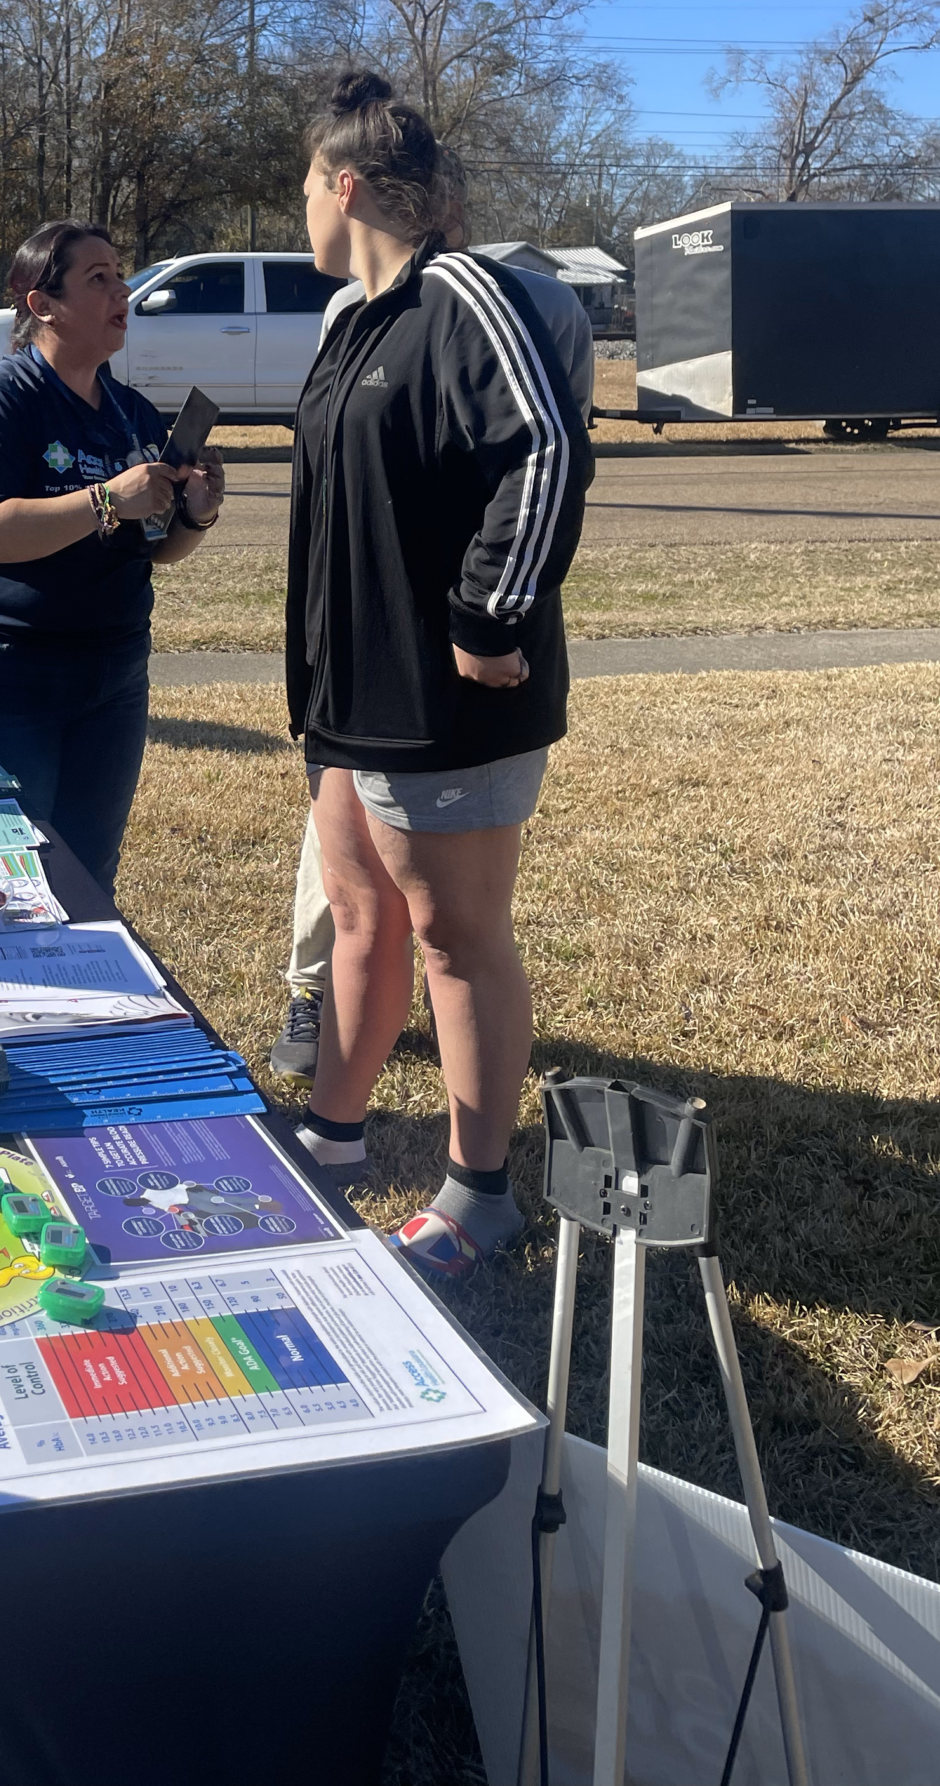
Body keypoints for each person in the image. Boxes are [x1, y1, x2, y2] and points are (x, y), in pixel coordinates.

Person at [283, 74, 593, 1280]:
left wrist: (486, 611)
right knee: (361, 914)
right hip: (350, 698)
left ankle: (479, 1195)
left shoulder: (464, 295)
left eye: (307, 187)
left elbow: (547, 448)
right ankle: (333, 1135)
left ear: (347, 185)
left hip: (450, 702)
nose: (303, 209)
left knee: (457, 938)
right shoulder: (353, 320)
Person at [0, 218, 226, 893]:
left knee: (87, 879)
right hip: (4, 671)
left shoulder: (132, 412)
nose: (123, 291)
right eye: (98, 279)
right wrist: (107, 499)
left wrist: (197, 513)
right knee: (6, 877)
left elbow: (156, 549)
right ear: (43, 305)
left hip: (112, 672)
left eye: (120, 275)